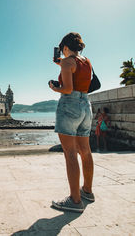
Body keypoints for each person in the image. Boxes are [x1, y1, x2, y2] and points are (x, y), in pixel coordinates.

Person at [49, 32, 95, 213]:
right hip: (86, 105)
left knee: (70, 153)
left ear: (65, 47)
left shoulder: (68, 62)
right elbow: (75, 70)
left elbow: (67, 89)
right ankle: (87, 191)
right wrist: (61, 63)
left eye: (63, 50)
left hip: (70, 106)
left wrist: (54, 87)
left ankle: (75, 201)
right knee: (85, 150)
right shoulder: (87, 61)